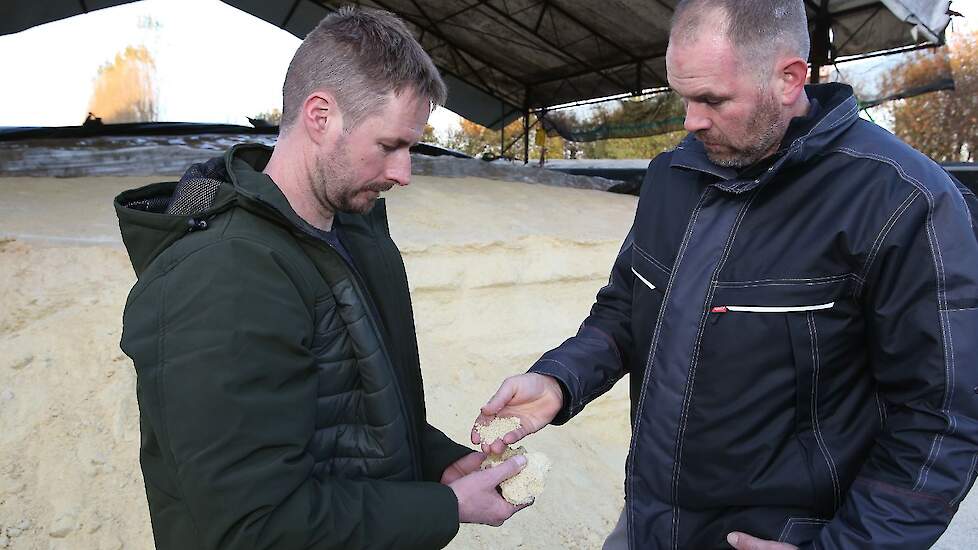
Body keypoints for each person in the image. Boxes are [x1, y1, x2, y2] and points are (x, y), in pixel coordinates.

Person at [474, 1, 978, 548]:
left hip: (780, 534)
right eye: (684, 97)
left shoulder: (903, 202)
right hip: (647, 522)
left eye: (712, 99)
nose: (690, 120)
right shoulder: (673, 174)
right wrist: (559, 379)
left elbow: (941, 417)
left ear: (788, 78)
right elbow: (627, 307)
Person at [114, 7, 526, 549]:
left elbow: (353, 409)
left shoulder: (350, 236)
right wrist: (445, 507)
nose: (404, 174)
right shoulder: (222, 276)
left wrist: (439, 464)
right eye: (390, 146)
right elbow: (253, 526)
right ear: (320, 115)